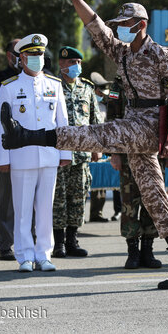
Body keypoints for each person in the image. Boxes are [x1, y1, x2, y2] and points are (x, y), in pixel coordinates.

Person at [0, 0, 168, 290]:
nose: (120, 26)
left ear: (141, 24)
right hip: (133, 121)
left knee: (99, 134)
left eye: (126, 22)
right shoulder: (122, 52)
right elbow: (95, 25)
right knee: (153, 195)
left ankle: (27, 136)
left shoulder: (161, 54)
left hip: (149, 125)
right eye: (119, 22)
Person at [0, 33, 72, 272]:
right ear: (22, 58)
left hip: (49, 156)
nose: (37, 58)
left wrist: (66, 153)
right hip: (21, 157)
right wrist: (3, 158)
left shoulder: (54, 85)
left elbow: (62, 122)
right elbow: (1, 125)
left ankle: (44, 254)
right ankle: (25, 255)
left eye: (40, 54)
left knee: (46, 208)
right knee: (22, 209)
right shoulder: (9, 87)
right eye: (32, 54)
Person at [108, 75, 164, 269]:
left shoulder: (160, 79)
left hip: (153, 152)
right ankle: (133, 252)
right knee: (129, 203)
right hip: (128, 152)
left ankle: (148, 251)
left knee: (152, 202)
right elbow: (112, 118)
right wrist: (114, 153)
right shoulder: (121, 82)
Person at [52, 47, 103, 258]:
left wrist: (97, 147)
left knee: (78, 198)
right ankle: (58, 243)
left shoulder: (87, 88)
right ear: (62, 64)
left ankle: (73, 240)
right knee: (58, 198)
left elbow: (95, 120)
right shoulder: (52, 86)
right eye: (72, 62)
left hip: (82, 154)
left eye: (79, 62)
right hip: (58, 153)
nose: (77, 66)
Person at [0, 39, 21, 260]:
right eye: (18, 53)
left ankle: (32, 241)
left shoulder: (43, 76)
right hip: (8, 144)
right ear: (10, 56)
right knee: (5, 198)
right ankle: (4, 243)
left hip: (34, 144)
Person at [87, 71, 113, 222]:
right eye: (99, 91)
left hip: (102, 147)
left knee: (100, 181)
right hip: (87, 147)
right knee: (83, 181)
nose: (102, 95)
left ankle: (97, 213)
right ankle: (78, 215)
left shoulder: (104, 106)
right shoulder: (86, 103)